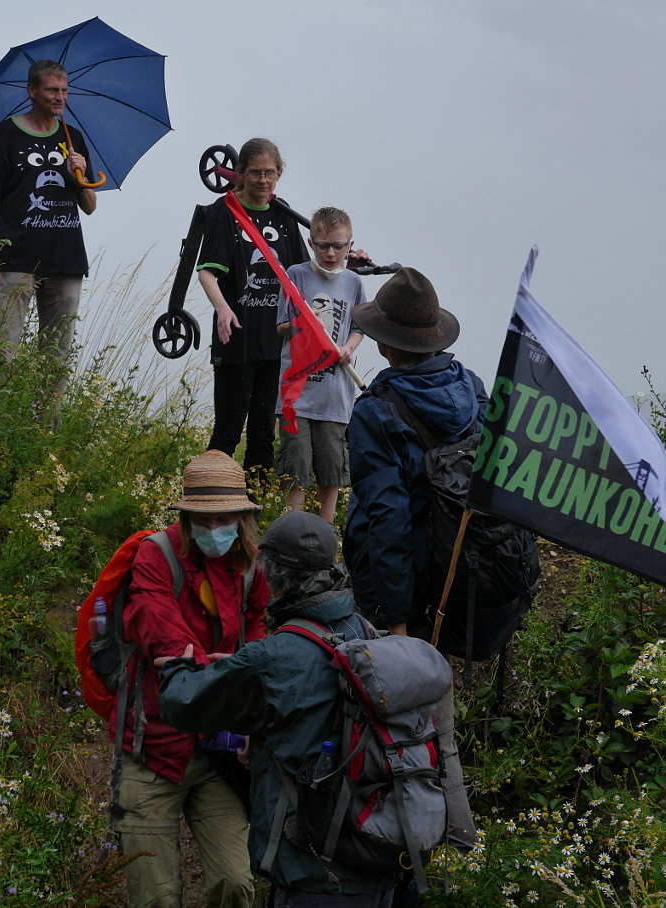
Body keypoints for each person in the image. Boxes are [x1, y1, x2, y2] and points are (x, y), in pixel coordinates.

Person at [157, 511, 397, 907]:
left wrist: (179, 667)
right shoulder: (365, 632)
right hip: (380, 858)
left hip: (317, 874)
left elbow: (182, 704)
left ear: (271, 574)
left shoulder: (273, 657)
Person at [343, 266, 484, 852]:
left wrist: (396, 621)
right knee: (442, 721)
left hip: (406, 586)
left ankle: (421, 846)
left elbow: (387, 521)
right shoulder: (472, 387)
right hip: (466, 571)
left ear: (383, 341)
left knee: (410, 726)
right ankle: (455, 840)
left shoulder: (378, 411)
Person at [111, 449, 270, 908]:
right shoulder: (155, 556)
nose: (215, 530)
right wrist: (226, 671)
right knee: (156, 896)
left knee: (237, 884)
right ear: (187, 517)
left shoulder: (250, 566)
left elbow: (259, 629)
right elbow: (163, 639)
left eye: (225, 521)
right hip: (152, 749)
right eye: (204, 520)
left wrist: (246, 676)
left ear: (242, 519)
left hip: (217, 753)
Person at [0, 59, 97, 372]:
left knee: (57, 359)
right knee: (2, 352)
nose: (60, 97)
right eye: (52, 90)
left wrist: (78, 174)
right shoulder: (6, 134)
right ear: (32, 90)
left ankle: (47, 423)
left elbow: (90, 205)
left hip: (66, 260)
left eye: (64, 91)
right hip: (16, 259)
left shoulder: (74, 139)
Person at [196, 138, 309, 475]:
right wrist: (222, 308)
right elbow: (207, 272)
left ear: (280, 173)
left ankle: (255, 504)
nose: (263, 180)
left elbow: (304, 270)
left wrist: (347, 259)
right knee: (229, 428)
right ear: (241, 172)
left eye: (270, 173)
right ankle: (210, 498)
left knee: (263, 431)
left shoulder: (283, 213)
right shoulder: (224, 211)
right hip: (237, 338)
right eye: (256, 173)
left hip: (275, 342)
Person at [275, 206, 365, 523]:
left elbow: (358, 327)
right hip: (296, 396)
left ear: (349, 245)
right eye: (323, 245)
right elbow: (282, 326)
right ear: (311, 242)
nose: (330, 252)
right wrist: (304, 324)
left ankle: (324, 539)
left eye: (338, 246)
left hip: (335, 397)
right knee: (295, 469)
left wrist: (348, 349)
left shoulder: (353, 282)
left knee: (331, 473)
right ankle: (291, 532)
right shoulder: (296, 275)